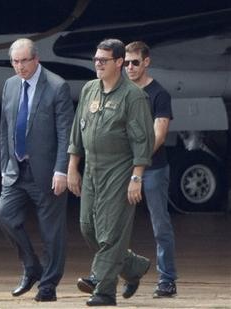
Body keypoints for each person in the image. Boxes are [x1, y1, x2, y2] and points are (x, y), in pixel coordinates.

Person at [67, 38, 154, 307]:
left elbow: (143, 140)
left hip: (120, 170)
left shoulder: (134, 96)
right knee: (88, 227)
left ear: (119, 62)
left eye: (103, 60)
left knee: (111, 232)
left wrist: (136, 177)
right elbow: (77, 131)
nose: (98, 64)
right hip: (92, 168)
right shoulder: (89, 90)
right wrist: (72, 167)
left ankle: (102, 287)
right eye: (95, 59)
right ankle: (132, 267)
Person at [0, 38, 74, 302]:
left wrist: (62, 170)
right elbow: (4, 129)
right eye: (15, 62)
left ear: (36, 59)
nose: (20, 67)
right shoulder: (9, 85)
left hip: (47, 170)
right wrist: (4, 165)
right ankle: (32, 267)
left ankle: (48, 285)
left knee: (52, 231)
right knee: (4, 216)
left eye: (24, 61)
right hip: (16, 169)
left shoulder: (56, 86)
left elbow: (66, 134)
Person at [125, 41, 177, 298]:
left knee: (160, 224)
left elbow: (160, 134)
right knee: (112, 224)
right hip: (123, 168)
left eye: (135, 62)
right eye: (126, 63)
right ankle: (114, 272)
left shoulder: (159, 94)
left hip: (154, 168)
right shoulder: (120, 91)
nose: (130, 67)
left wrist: (139, 166)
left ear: (147, 62)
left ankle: (167, 278)